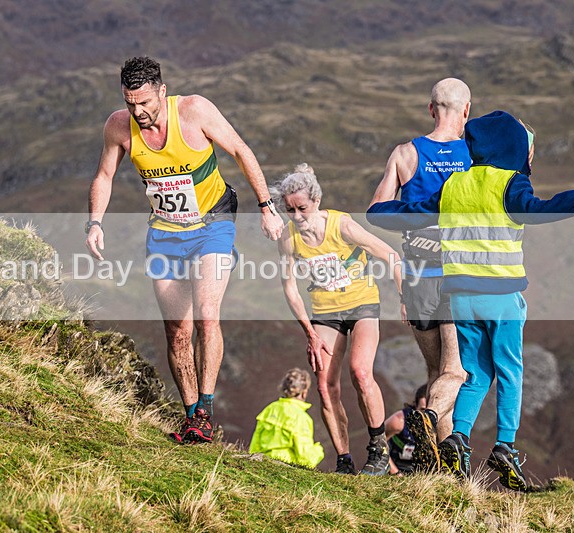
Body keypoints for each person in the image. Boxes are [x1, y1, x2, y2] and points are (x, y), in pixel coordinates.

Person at [367, 110, 574, 491]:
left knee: (475, 373)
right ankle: (506, 446)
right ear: (513, 149)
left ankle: (458, 439)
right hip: (501, 297)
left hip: (459, 299)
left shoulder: (455, 185)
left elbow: (409, 213)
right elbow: (545, 209)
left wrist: (378, 212)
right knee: (510, 371)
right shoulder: (510, 184)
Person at [85, 56, 284, 444]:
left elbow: (241, 151)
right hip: (165, 232)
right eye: (130, 103)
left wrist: (266, 206)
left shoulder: (194, 111)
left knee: (208, 316)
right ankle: (193, 415)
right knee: (178, 331)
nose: (138, 112)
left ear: (162, 91)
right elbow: (104, 175)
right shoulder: (118, 127)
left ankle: (206, 409)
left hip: (213, 224)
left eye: (144, 102)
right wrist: (95, 222)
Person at [273, 163, 404, 476]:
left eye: (302, 208)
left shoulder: (341, 225)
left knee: (360, 372)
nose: (297, 217)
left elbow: (390, 255)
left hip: (362, 305)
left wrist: (405, 298)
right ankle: (344, 460)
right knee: (324, 385)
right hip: (325, 312)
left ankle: (378, 451)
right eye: (290, 210)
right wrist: (310, 333)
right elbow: (289, 288)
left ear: (316, 202)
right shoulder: (289, 237)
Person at [368, 78, 471, 470]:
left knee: (434, 374)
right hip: (458, 275)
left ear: (431, 109)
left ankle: (441, 472)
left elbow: (377, 211)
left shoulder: (405, 154)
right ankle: (447, 464)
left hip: (416, 278)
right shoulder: (474, 155)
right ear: (465, 111)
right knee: (455, 372)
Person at [249, 368, 324, 469]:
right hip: (286, 468)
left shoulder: (269, 409)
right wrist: (318, 451)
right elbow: (306, 459)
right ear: (304, 392)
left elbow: (255, 445)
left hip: (262, 464)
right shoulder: (301, 418)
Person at [384, 384, 428, 475]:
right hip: (396, 468)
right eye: (422, 410)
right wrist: (395, 473)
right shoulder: (398, 421)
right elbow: (378, 444)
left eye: (430, 411)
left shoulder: (442, 425)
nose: (426, 416)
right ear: (415, 406)